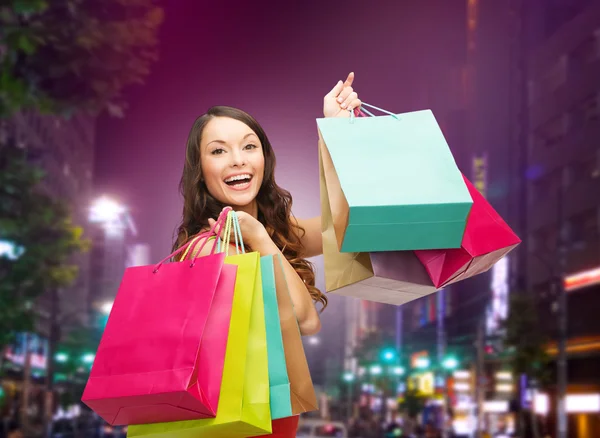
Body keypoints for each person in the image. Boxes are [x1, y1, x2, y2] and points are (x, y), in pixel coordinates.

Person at [173, 72, 362, 335]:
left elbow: (351, 224)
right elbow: (305, 321)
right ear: (200, 171)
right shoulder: (210, 249)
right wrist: (260, 238)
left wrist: (337, 131)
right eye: (218, 151)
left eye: (249, 146)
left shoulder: (274, 229)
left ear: (265, 159)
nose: (238, 160)